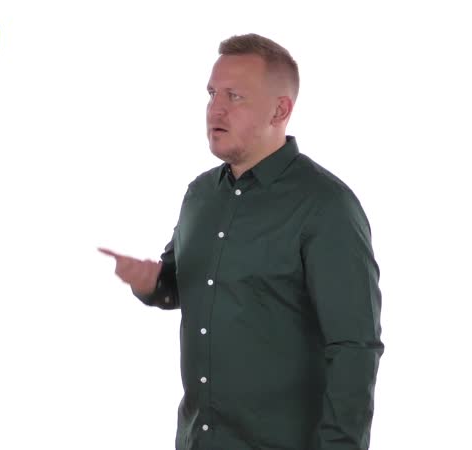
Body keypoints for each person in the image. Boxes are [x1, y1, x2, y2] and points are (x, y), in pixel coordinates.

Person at [98, 33, 384, 450]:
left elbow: (354, 347)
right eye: (212, 93)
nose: (215, 109)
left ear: (280, 110)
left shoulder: (326, 206)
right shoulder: (200, 195)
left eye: (234, 96)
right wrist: (150, 284)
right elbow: (180, 284)